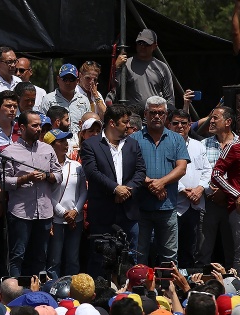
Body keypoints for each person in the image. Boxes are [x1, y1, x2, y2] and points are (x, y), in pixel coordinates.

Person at [80, 105, 146, 278]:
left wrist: (126, 191)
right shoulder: (91, 145)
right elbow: (92, 172)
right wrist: (115, 189)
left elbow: (140, 172)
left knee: (129, 256)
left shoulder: (133, 144)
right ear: (111, 123)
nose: (128, 126)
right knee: (99, 257)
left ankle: (127, 292)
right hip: (103, 213)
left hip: (128, 212)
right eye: (124, 122)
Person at [129, 96, 189, 264]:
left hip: (168, 208)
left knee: (169, 257)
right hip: (141, 208)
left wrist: (161, 183)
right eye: (153, 112)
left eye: (160, 113)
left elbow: (181, 168)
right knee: (138, 255)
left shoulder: (177, 139)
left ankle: (168, 289)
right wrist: (150, 183)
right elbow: (129, 168)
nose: (156, 116)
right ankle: (137, 290)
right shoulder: (134, 139)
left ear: (166, 115)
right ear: (145, 114)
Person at [2, 111, 63, 276]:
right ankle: (14, 292)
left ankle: (38, 293)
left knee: (40, 256)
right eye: (34, 125)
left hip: (44, 213)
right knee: (18, 255)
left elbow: (59, 175)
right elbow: (3, 183)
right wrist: (25, 178)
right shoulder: (10, 152)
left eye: (39, 125)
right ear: (22, 127)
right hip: (21, 213)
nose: (39, 129)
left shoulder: (47, 149)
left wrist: (47, 176)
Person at [167, 109, 211, 268]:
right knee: (172, 247)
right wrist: (183, 190)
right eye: (176, 123)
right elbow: (164, 172)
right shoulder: (165, 145)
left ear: (189, 125)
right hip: (174, 204)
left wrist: (200, 189)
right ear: (169, 125)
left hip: (196, 204)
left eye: (184, 123)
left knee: (193, 248)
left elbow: (207, 171)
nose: (180, 126)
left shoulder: (198, 146)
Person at [43, 129, 87, 278]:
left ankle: (73, 290)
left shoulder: (76, 165)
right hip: (56, 220)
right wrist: (64, 213)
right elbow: (46, 194)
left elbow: (83, 191)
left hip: (76, 219)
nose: (65, 144)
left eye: (66, 141)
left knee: (73, 259)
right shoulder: (46, 168)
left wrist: (75, 211)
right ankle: (53, 289)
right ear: (51, 145)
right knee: (54, 260)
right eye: (60, 141)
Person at [198, 106, 237, 269]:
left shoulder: (239, 144)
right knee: (203, 249)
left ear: (228, 122)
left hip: (234, 205)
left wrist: (225, 192)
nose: (210, 121)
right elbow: (200, 172)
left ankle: (232, 286)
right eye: (210, 117)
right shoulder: (202, 145)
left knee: (233, 250)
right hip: (208, 203)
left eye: (215, 118)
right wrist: (211, 191)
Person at [115, 29, 175, 110]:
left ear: (155, 46)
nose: (142, 47)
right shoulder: (126, 64)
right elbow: (116, 89)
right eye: (140, 43)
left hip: (155, 116)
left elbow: (170, 98)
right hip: (133, 117)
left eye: (147, 44)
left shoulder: (162, 67)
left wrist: (168, 115)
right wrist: (117, 67)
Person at [40, 64, 90, 137]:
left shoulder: (84, 100)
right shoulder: (48, 99)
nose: (68, 82)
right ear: (58, 79)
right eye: (65, 79)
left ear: (77, 81)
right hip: (56, 142)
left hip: (78, 142)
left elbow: (88, 123)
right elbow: (42, 123)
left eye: (71, 79)